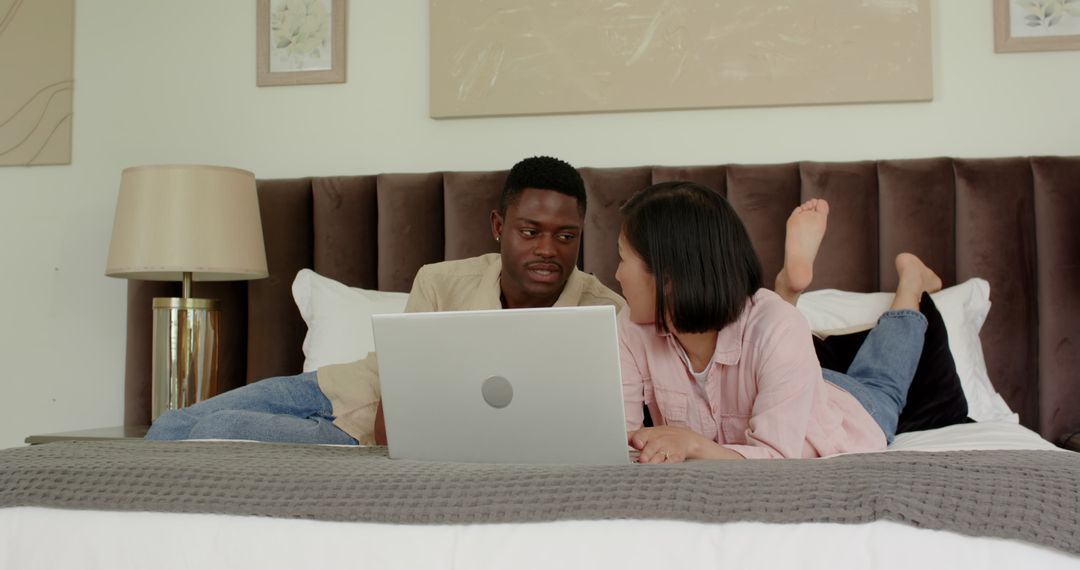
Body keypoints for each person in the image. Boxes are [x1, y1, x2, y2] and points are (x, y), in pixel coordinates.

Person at [146, 156, 625, 445]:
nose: (548, 249)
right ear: (499, 227)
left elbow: (393, 432)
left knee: (221, 432)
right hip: (339, 387)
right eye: (530, 231)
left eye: (566, 236)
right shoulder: (440, 282)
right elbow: (397, 392)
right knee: (173, 424)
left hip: (366, 435)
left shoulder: (604, 314)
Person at [616, 181, 942, 463]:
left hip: (850, 410)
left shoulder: (779, 326)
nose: (616, 275)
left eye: (623, 259)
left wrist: (692, 444)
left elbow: (776, 462)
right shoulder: (628, 330)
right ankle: (786, 291)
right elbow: (620, 447)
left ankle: (912, 284)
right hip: (786, 377)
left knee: (881, 382)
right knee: (778, 331)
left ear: (668, 278)